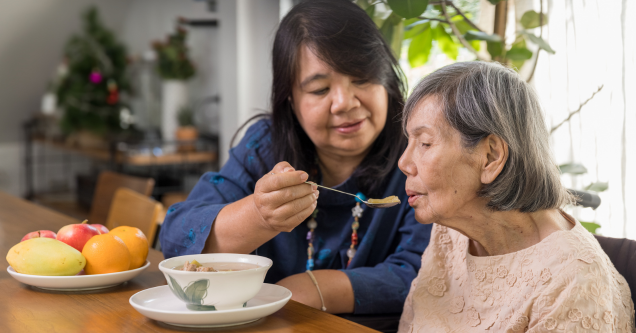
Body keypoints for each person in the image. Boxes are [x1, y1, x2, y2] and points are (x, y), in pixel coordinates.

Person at [159, 0, 432, 315]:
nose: (344, 102)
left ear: (386, 78)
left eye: (361, 78)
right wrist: (259, 216)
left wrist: (311, 289)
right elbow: (177, 240)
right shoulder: (265, 146)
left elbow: (423, 272)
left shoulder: (419, 154)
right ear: (290, 99)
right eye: (319, 90)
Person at [397, 61, 634, 332]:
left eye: (425, 143)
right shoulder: (450, 233)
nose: (404, 162)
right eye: (409, 142)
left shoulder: (572, 282)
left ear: (490, 157)